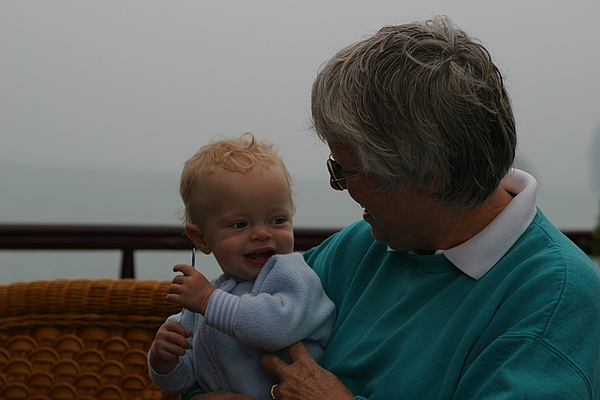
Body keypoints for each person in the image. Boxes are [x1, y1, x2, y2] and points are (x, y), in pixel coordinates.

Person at [184, 16, 600, 400]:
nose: (343, 189)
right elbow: (221, 347)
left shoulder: (554, 300)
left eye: (346, 171)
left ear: (428, 176)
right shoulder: (361, 246)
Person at [148, 133, 336, 400]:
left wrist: (208, 301)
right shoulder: (205, 303)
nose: (261, 233)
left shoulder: (293, 275)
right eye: (240, 224)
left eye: (277, 220)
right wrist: (163, 361)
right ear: (201, 239)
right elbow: (184, 382)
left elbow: (277, 327)